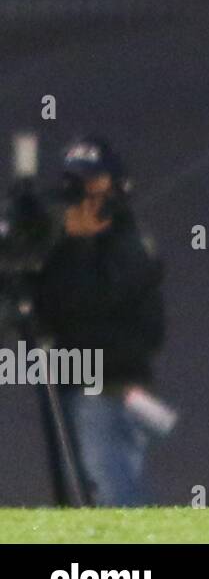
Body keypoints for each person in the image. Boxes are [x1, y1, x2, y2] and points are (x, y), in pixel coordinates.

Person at [35, 137, 166, 506]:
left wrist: (78, 244)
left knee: (112, 490)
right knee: (90, 491)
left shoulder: (127, 241)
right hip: (76, 382)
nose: (87, 196)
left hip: (108, 386)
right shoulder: (68, 241)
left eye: (96, 183)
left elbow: (89, 302)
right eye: (77, 185)